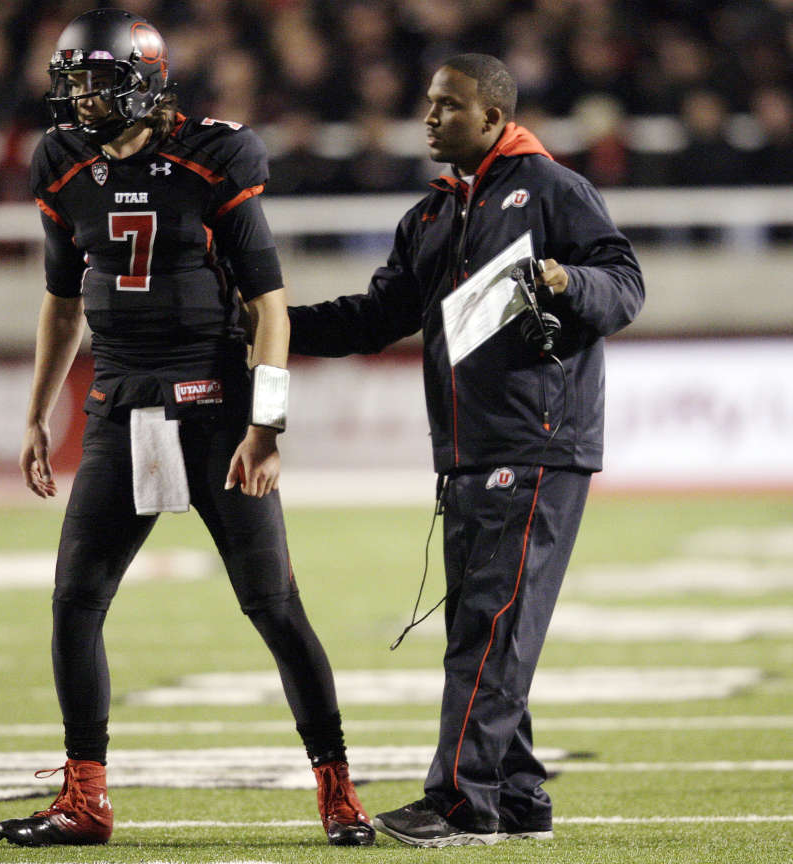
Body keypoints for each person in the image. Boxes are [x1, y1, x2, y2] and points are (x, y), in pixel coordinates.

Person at [0, 8, 374, 849]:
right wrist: (36, 412)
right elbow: (62, 300)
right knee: (73, 604)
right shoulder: (60, 163)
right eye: (73, 83)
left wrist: (266, 426)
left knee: (272, 605)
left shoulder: (214, 156)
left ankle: (338, 791)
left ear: (144, 78)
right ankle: (85, 798)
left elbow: (268, 310)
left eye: (97, 81)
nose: (81, 101)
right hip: (117, 404)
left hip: (211, 404)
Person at [288, 54, 644, 847]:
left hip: (537, 440)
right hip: (468, 449)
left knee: (488, 627)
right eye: (427, 103)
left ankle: (458, 800)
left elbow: (623, 280)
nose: (428, 116)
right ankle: (514, 795)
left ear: (491, 118)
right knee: (481, 630)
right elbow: (373, 316)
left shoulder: (550, 188)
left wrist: (563, 281)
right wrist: (271, 328)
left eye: (447, 106)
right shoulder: (430, 216)